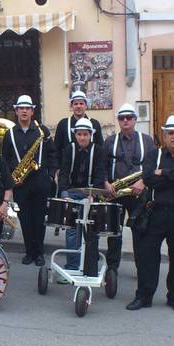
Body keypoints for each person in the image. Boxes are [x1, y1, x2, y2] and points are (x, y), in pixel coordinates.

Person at [127, 115, 174, 314]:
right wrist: (173, 175)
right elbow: (149, 178)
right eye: (171, 133)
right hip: (155, 214)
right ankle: (144, 296)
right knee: (148, 257)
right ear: (165, 136)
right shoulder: (153, 155)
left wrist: (163, 173)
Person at [2, 95, 57, 266]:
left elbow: (52, 154)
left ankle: (39, 253)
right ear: (16, 111)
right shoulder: (9, 134)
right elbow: (5, 159)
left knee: (39, 219)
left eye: (27, 108)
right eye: (21, 108)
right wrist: (11, 179)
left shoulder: (43, 131)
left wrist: (49, 175)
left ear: (32, 111)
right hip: (20, 183)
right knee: (25, 219)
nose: (24, 111)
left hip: (40, 180)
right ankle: (29, 252)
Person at [103, 103, 156, 274]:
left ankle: (142, 268)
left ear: (135, 119)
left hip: (138, 193)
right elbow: (101, 165)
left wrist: (143, 182)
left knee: (140, 231)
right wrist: (105, 183)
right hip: (115, 192)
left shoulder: (147, 140)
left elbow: (154, 165)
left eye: (129, 117)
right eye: (121, 118)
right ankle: (112, 268)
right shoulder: (110, 141)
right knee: (114, 232)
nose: (125, 120)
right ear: (118, 121)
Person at [57, 118, 107, 276]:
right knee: (72, 229)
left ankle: (89, 265)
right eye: (79, 134)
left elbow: (100, 174)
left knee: (92, 229)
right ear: (75, 135)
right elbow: (64, 173)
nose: (82, 138)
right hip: (72, 192)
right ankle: (72, 266)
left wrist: (93, 195)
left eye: (85, 134)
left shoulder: (98, 150)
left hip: (91, 193)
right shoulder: (69, 149)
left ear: (91, 135)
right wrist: (64, 194)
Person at [54, 91, 104, 168]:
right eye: (76, 104)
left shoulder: (95, 124)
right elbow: (57, 148)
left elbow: (100, 147)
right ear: (71, 106)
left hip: (91, 168)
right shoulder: (63, 124)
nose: (78, 106)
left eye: (81, 103)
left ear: (86, 105)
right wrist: (57, 168)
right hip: (68, 169)